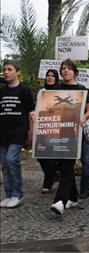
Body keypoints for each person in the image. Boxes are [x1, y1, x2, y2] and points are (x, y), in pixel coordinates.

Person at [50, 59, 89, 215]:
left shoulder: (83, 90)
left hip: (74, 133)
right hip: (58, 132)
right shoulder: (56, 89)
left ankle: (60, 201)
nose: (65, 71)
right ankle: (73, 197)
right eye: (63, 68)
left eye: (68, 68)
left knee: (67, 166)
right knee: (64, 166)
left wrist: (84, 117)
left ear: (75, 72)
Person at [0, 60, 34, 208]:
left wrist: (31, 131)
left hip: (18, 131)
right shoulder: (1, 91)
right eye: (4, 70)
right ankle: (8, 194)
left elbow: (31, 112)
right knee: (5, 165)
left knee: (11, 159)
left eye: (9, 69)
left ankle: (18, 194)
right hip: (2, 132)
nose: (6, 72)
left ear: (18, 72)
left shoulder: (25, 91)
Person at [37, 69, 59, 194]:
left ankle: (48, 182)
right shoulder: (42, 92)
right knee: (40, 155)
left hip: (56, 127)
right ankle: (54, 172)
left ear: (56, 78)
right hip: (43, 126)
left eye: (52, 76)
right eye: (48, 76)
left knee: (50, 156)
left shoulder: (60, 91)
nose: (50, 78)